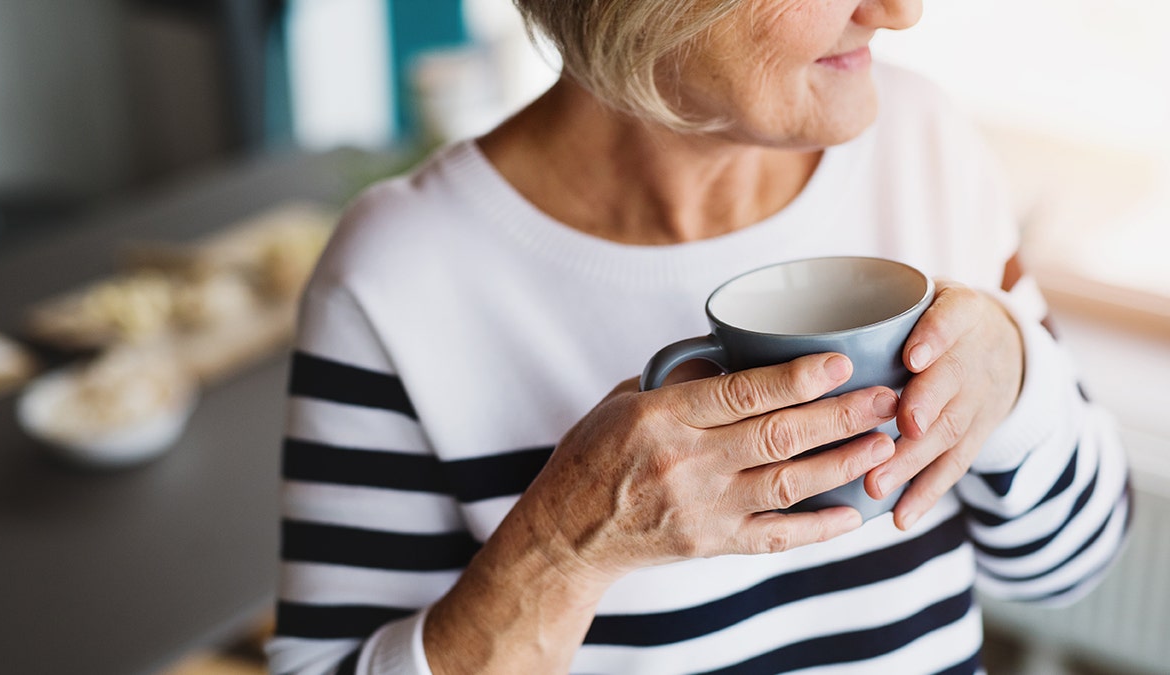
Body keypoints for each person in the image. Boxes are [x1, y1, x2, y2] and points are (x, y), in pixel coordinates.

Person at [266, 0, 1131, 673]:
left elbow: (1069, 567)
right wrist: (565, 545)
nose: (899, 11)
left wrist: (1017, 375)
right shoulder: (397, 279)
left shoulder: (922, 142)